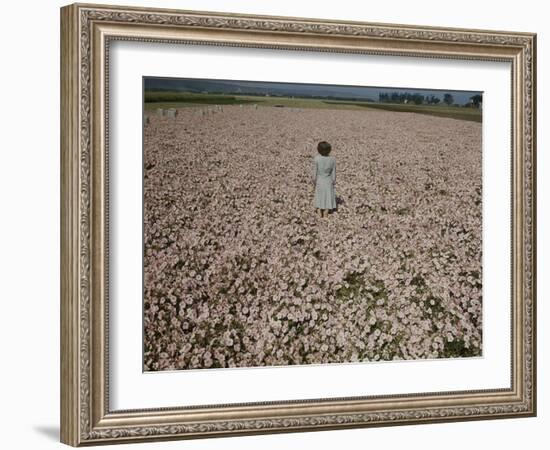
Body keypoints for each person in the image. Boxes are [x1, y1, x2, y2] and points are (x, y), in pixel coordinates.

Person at [312, 141, 336, 217]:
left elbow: (314, 172)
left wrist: (314, 180)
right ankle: (326, 211)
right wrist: (333, 180)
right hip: (328, 180)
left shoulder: (317, 159)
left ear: (318, 150)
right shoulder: (332, 159)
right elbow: (334, 172)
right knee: (328, 195)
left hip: (320, 180)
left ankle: (319, 210)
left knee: (319, 195)